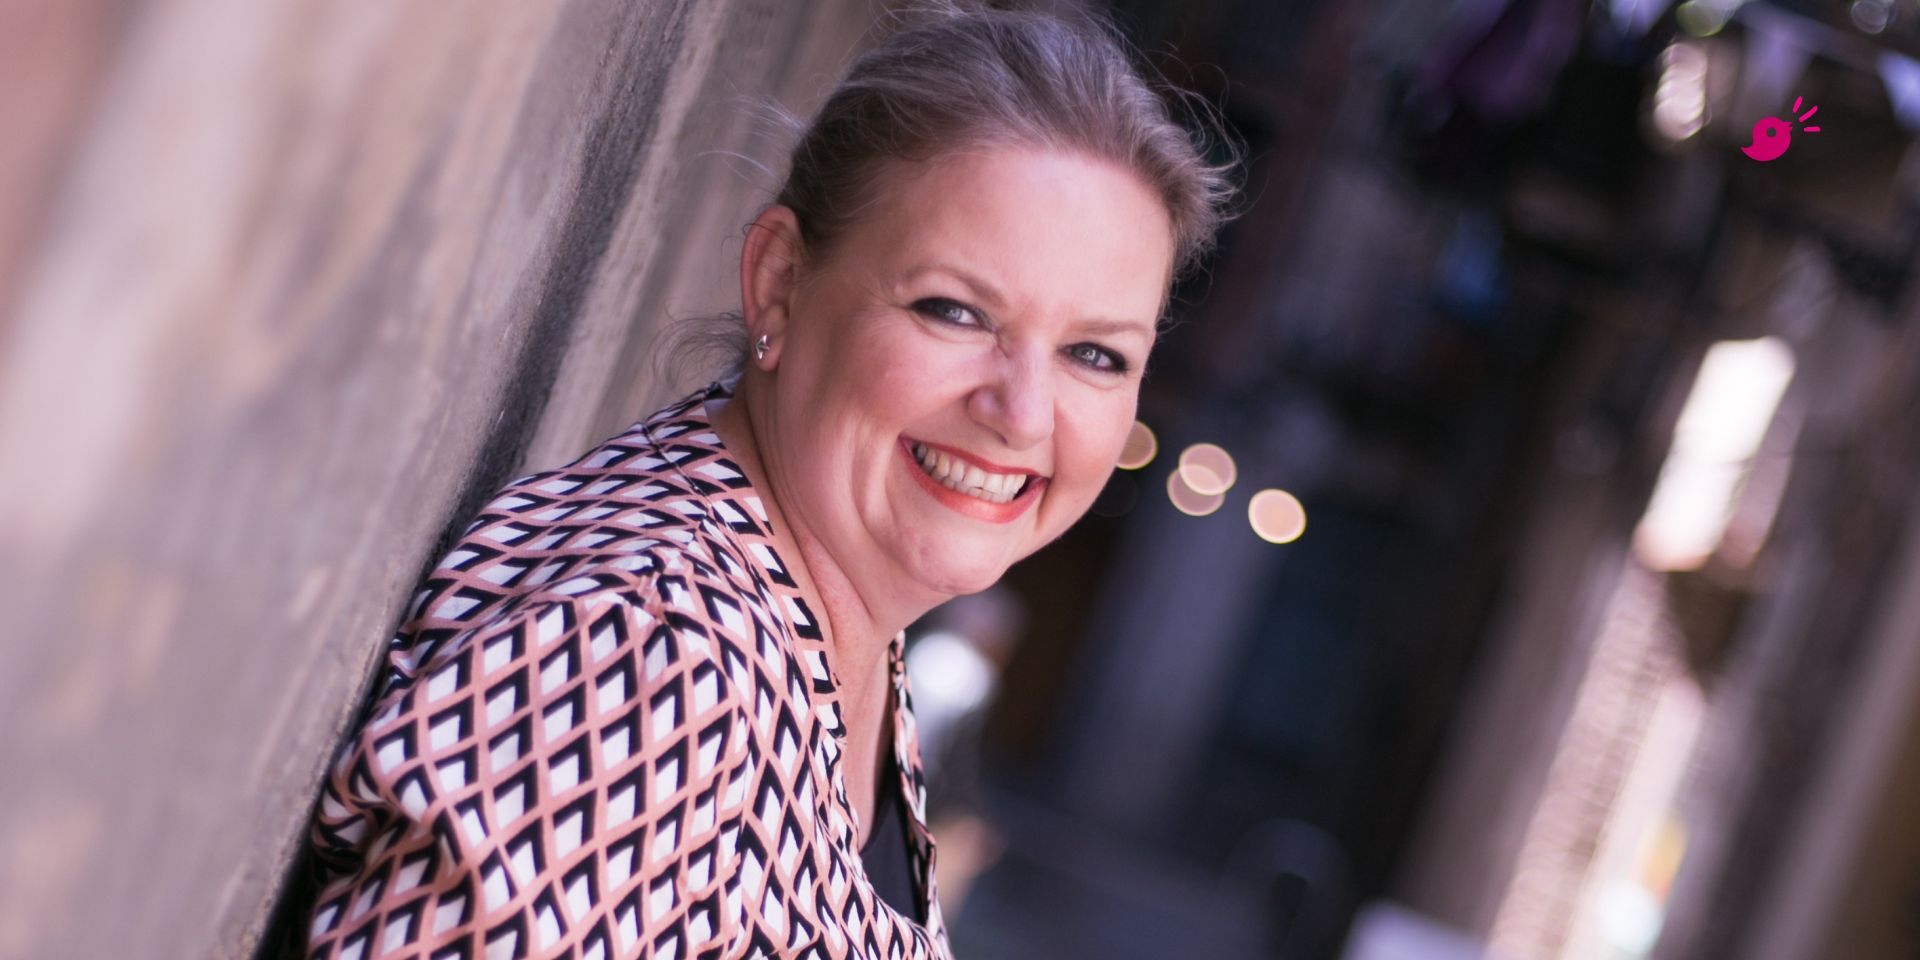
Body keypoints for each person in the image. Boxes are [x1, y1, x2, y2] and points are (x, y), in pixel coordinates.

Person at [297, 4, 1235, 958]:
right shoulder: (649, 656)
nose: (1025, 412)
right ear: (780, 281)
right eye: (954, 310)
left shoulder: (840, 634)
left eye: (1094, 354)